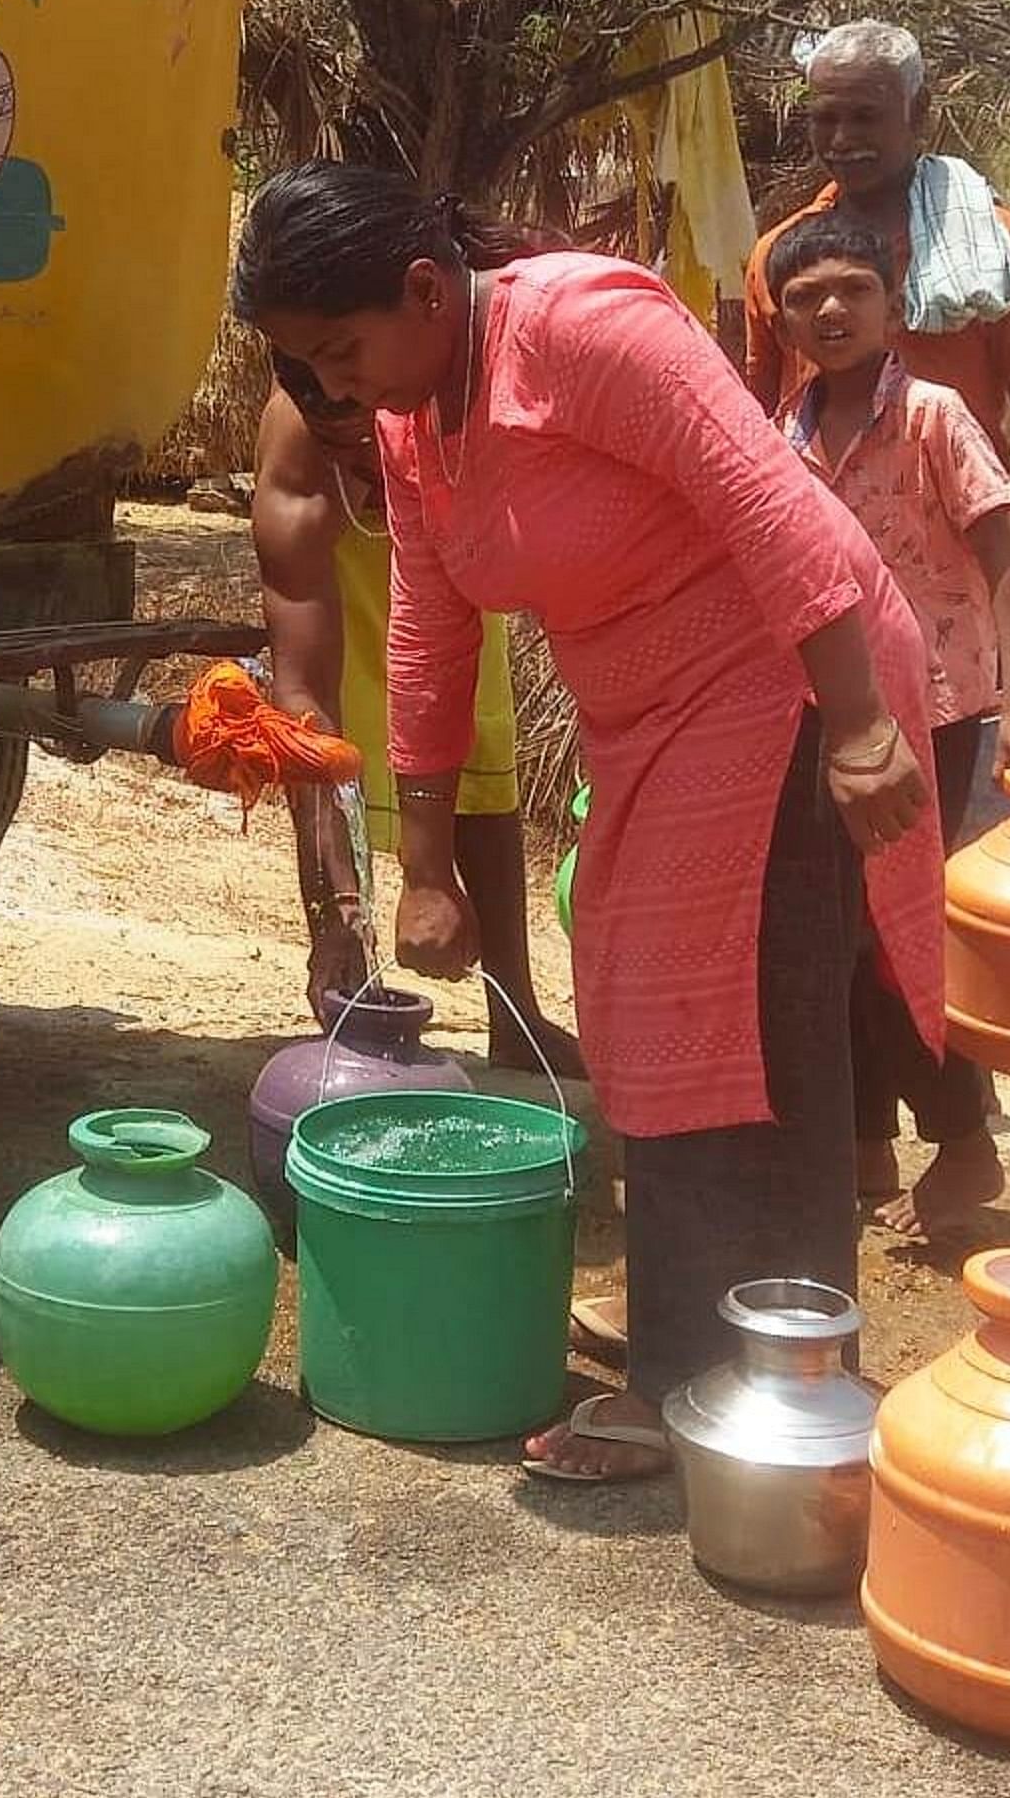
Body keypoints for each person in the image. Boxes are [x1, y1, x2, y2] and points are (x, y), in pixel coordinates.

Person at [236, 162, 943, 1484]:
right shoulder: (412, 416)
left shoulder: (585, 329)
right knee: (644, 1014)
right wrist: (427, 864)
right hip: (656, 715)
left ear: (425, 289)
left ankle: (735, 1376)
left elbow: (775, 507)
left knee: (741, 1019)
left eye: (340, 350)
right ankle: (728, 1336)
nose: (331, 389)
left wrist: (855, 725)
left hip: (784, 676)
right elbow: (429, 631)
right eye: (304, 367)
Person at [767, 209, 1010, 1239]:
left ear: (893, 305)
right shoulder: (785, 434)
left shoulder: (934, 414)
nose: (830, 311)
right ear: (783, 321)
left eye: (851, 290)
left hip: (936, 705)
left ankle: (964, 1140)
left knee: (900, 937)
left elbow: (1002, 562)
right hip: (829, 715)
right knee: (833, 933)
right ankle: (864, 1146)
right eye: (805, 300)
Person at [253, 344, 585, 1078]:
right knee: (349, 767)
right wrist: (331, 911)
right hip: (347, 598)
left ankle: (514, 1012)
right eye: (351, 450)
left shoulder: (452, 399)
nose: (371, 467)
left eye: (379, 438)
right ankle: (354, 994)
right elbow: (305, 701)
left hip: (455, 570)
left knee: (479, 759)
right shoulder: (298, 461)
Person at [744, 20, 1010, 643]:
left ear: (917, 111)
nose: (843, 139)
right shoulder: (780, 257)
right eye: (826, 118)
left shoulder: (989, 251)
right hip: (819, 573)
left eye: (866, 117)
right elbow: (759, 419)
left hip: (959, 575)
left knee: (951, 733)